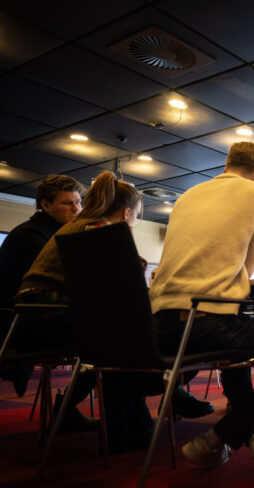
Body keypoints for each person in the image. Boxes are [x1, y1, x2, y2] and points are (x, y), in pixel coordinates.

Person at [17, 171, 212, 450]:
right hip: (50, 318)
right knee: (136, 343)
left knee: (121, 342)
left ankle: (136, 424)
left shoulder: (79, 227)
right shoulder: (100, 231)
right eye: (137, 215)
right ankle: (163, 397)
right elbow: (125, 291)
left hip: (36, 316)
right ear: (127, 212)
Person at [150, 141, 254, 469]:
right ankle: (216, 439)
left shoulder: (187, 196)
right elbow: (248, 266)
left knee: (238, 342)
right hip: (204, 323)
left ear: (226, 167)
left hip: (155, 327)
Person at [0, 175, 85, 397]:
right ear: (46, 205)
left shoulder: (52, 234)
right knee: (109, 337)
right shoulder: (32, 237)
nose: (76, 209)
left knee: (109, 336)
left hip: (35, 319)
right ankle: (68, 407)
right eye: (68, 203)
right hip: (16, 328)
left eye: (78, 202)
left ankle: (68, 406)